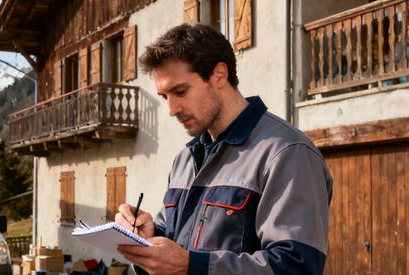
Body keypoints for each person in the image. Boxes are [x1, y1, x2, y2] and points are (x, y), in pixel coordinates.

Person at [114, 24, 333, 275]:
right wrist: (149, 236)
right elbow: (179, 245)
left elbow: (296, 267)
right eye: (165, 97)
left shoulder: (287, 153)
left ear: (219, 75)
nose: (171, 109)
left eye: (180, 91)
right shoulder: (184, 160)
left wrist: (190, 265)